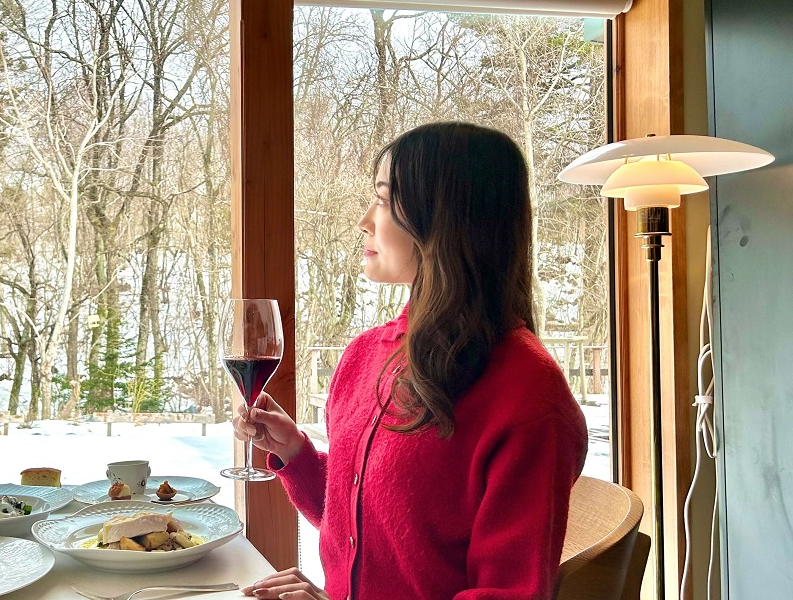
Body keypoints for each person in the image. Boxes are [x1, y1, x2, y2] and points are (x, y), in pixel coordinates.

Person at [235, 122, 588, 600]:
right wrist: (296, 453)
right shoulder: (364, 357)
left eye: (383, 199)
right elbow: (369, 528)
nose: (364, 219)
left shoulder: (528, 398)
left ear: (444, 218)